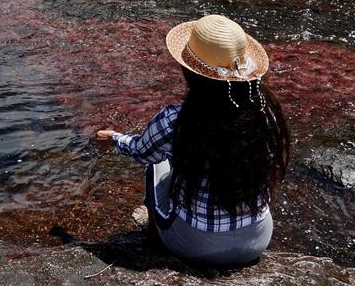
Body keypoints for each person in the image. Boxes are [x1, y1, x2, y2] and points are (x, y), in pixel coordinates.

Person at [96, 14, 290, 266]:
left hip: (195, 246)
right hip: (257, 241)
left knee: (156, 164)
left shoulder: (176, 120)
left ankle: (155, 235)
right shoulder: (265, 115)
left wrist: (114, 139)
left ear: (189, 71)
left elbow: (141, 151)